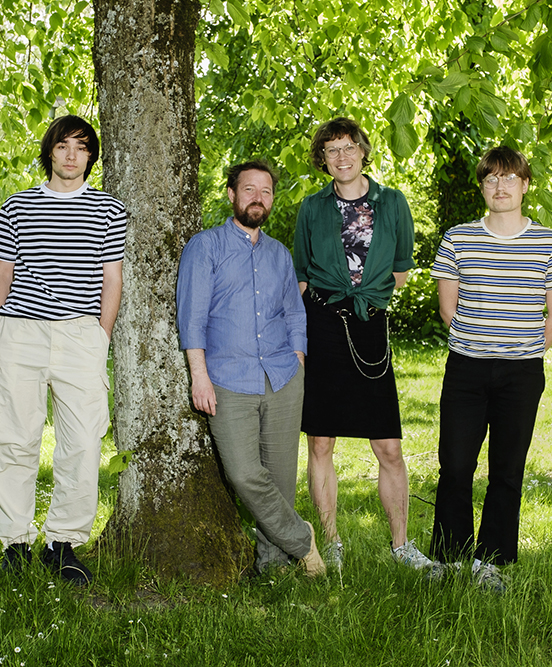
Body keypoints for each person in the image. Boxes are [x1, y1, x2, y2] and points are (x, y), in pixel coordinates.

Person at [0, 115, 127, 587]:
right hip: (20, 332)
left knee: (83, 444)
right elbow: (1, 272)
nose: (71, 155)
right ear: (50, 151)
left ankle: (61, 543)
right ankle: (15, 544)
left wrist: (101, 334)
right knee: (12, 438)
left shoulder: (109, 210)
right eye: (63, 145)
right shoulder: (18, 207)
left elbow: (112, 278)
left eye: (81, 147)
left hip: (80, 336)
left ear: (90, 156)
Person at [428, 146, 552, 591]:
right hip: (466, 370)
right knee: (455, 464)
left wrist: (520, 350)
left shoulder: (550, 243)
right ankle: (452, 559)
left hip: (521, 374)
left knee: (507, 470)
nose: (500, 187)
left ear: (525, 185)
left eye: (509, 178)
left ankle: (490, 563)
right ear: (483, 187)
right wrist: (481, 344)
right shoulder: (459, 238)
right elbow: (447, 309)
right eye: (491, 179)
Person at [176, 160, 325, 577]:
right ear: (231, 195)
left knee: (279, 478)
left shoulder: (279, 254)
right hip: (227, 379)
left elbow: (295, 315)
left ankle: (273, 566)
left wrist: (297, 360)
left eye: (266, 191)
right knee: (243, 474)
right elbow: (192, 318)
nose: (258, 198)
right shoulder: (204, 247)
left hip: (281, 376)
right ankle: (302, 540)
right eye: (249, 189)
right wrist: (199, 375)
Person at [293, 117, 430, 570]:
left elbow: (401, 269)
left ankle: (400, 546)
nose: (342, 157)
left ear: (363, 150)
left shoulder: (392, 203)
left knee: (388, 444)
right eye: (332, 150)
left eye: (349, 147)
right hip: (324, 326)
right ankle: (330, 542)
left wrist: (364, 301)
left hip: (370, 325)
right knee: (321, 442)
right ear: (323, 159)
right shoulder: (312, 208)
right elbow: (301, 277)